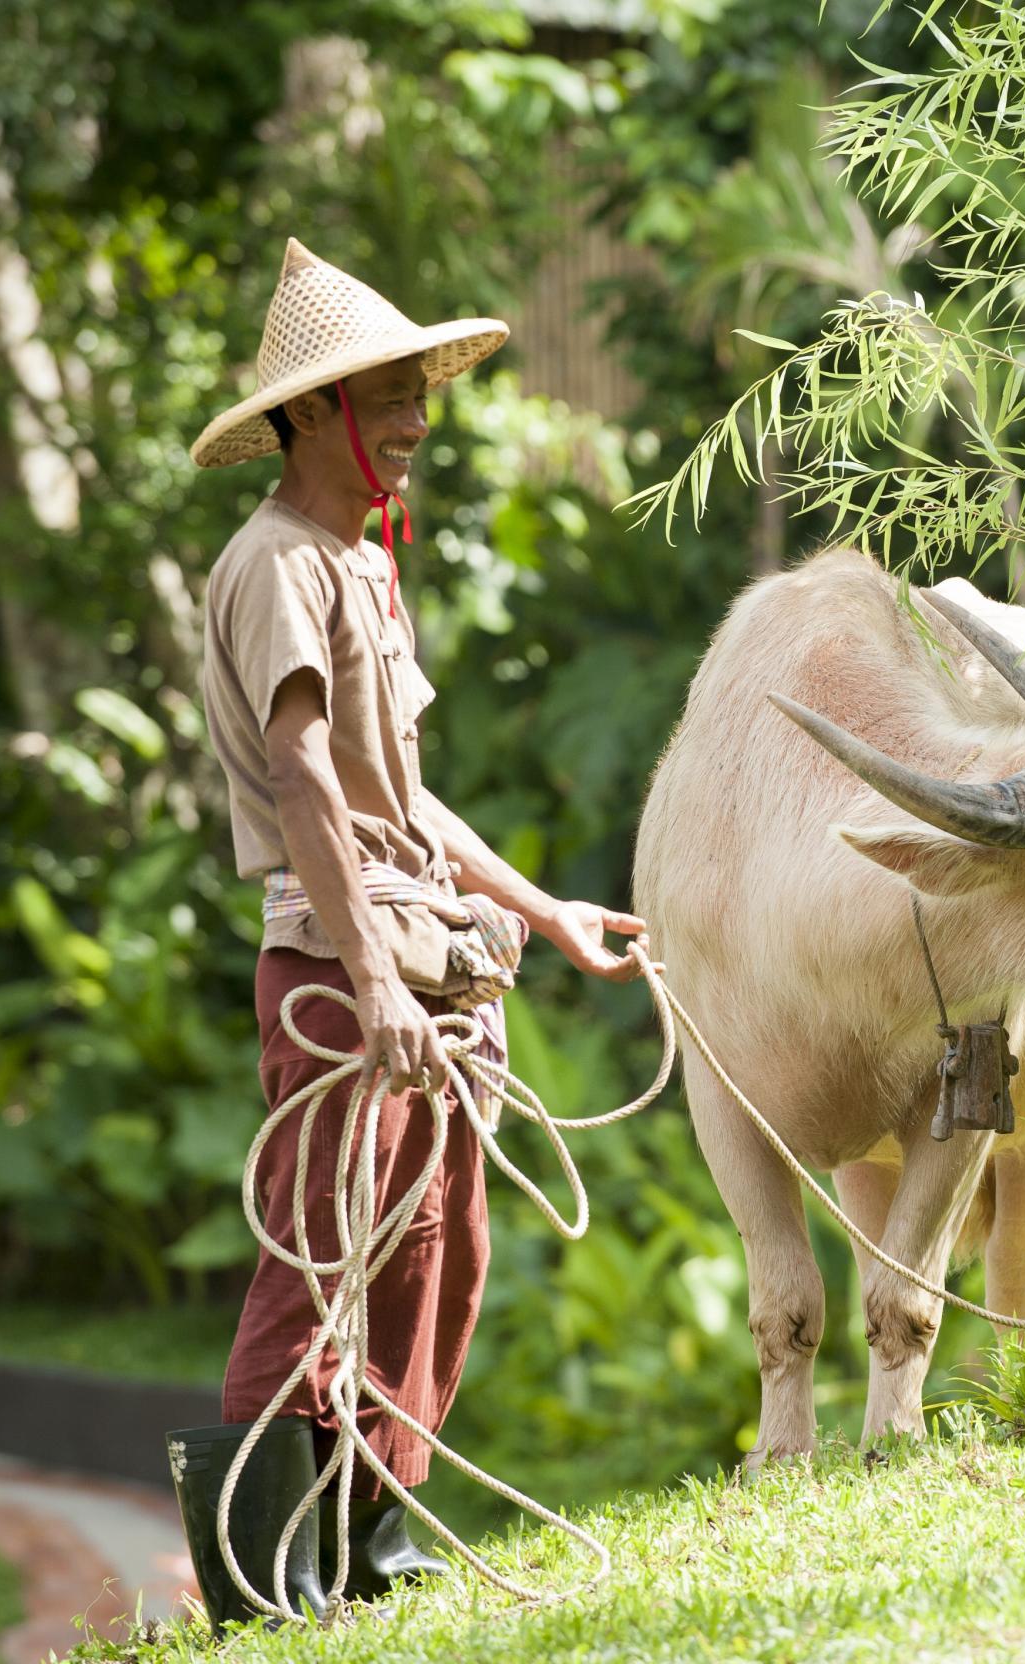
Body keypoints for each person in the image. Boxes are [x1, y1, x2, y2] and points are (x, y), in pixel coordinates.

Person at [163, 239, 648, 1629]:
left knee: (435, 1253)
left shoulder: (362, 562)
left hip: (433, 957)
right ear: (306, 413)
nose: (416, 416)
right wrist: (370, 977)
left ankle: (375, 1536)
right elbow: (308, 776)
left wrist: (542, 914)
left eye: (419, 388)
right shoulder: (272, 567)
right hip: (339, 965)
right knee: (320, 1255)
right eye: (385, 391)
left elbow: (402, 793)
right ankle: (267, 1582)